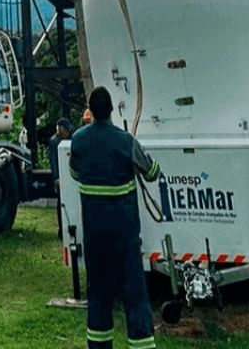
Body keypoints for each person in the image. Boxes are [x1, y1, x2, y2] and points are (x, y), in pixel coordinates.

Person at [69, 87, 161, 349]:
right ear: (111, 110)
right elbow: (152, 172)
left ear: (90, 111)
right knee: (134, 294)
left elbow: (75, 174)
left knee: (98, 294)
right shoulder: (125, 141)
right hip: (125, 236)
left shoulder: (78, 140)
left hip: (95, 237)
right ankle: (141, 345)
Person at [47, 117, 73, 239]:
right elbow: (53, 160)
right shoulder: (54, 141)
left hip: (65, 174)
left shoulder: (64, 140)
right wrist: (56, 177)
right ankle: (61, 229)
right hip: (60, 176)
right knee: (60, 202)